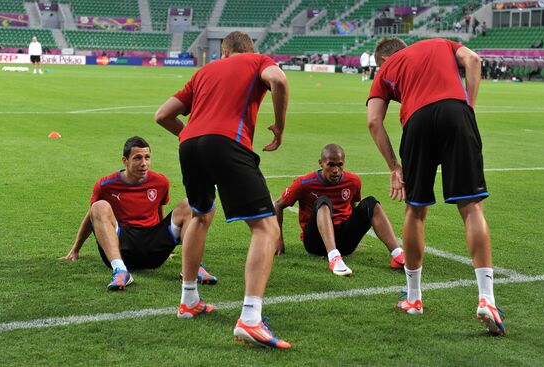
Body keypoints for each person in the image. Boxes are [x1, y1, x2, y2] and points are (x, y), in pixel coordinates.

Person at [154, 31, 290, 349]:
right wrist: (280, 125)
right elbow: (279, 81)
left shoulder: (204, 72)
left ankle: (189, 300)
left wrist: (194, 134)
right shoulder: (258, 61)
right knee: (266, 227)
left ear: (223, 51)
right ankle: (251, 318)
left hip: (189, 145)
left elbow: (162, 115)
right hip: (227, 142)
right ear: (248, 50)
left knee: (201, 215)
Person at [366, 37, 506, 335]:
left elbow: (374, 122)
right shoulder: (440, 43)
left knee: (415, 211)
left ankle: (414, 298)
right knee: (471, 206)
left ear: (382, 58)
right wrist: (468, 107)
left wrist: (394, 166)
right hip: (456, 112)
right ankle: (487, 298)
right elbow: (474, 61)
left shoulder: (385, 69)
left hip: (416, 123)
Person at [60, 136, 218, 290]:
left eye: (147, 157)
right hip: (122, 247)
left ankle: (192, 269)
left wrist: (166, 246)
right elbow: (92, 217)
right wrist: (75, 249)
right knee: (99, 206)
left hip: (153, 248)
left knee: (190, 204)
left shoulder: (161, 182)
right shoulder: (105, 185)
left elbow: (158, 210)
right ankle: (120, 271)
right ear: (125, 160)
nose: (144, 163)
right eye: (137, 158)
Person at [274, 144, 405, 276]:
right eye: (330, 165)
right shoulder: (304, 183)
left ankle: (398, 255)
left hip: (344, 243)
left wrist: (353, 237)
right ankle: (334, 258)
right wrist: (278, 240)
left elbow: (352, 209)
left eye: (339, 165)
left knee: (371, 203)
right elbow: (278, 205)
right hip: (315, 243)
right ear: (321, 163)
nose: (335, 170)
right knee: (323, 201)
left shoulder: (353, 181)